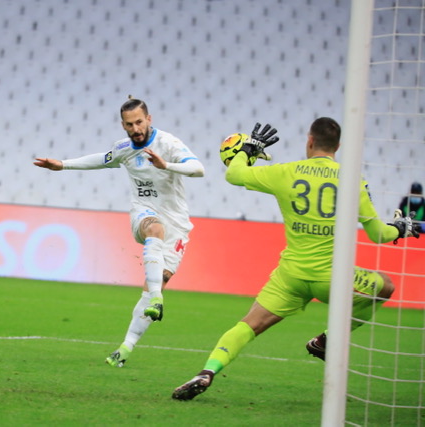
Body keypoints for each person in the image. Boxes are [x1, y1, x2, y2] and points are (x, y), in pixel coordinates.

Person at [172, 117, 421, 401]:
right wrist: (402, 228)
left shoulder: (285, 173)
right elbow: (378, 234)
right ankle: (327, 340)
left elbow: (234, 175)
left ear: (309, 141)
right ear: (338, 146)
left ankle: (207, 371)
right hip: (331, 278)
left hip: (290, 277)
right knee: (385, 286)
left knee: (248, 325)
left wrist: (249, 149)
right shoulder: (353, 181)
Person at [33, 97, 205, 367]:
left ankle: (125, 348)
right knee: (154, 230)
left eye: (139, 122)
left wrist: (166, 165)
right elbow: (102, 159)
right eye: (129, 124)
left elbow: (198, 169)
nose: (135, 129)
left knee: (158, 281)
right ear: (122, 125)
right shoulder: (124, 148)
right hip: (145, 212)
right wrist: (63, 164)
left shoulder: (169, 144)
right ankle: (158, 298)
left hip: (178, 222)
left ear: (149, 119)